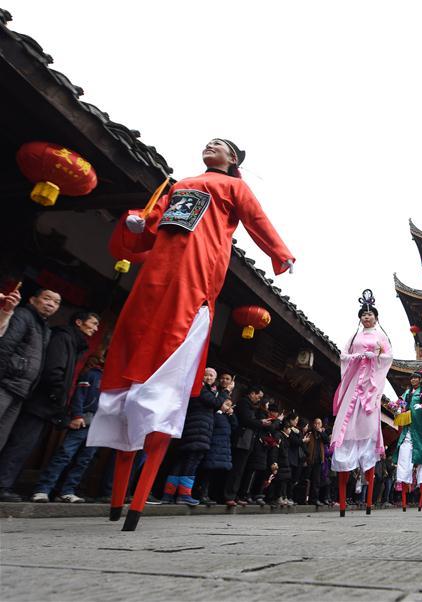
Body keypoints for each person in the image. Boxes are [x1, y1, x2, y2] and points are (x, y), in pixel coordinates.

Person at [88, 139, 294, 531]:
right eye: (210, 141)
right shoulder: (179, 184)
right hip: (157, 269)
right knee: (134, 327)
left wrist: (279, 252)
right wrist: (138, 224)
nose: (211, 144)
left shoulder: (234, 187)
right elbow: (155, 222)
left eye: (221, 144)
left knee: (174, 338)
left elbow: (257, 219)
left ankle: (135, 498)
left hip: (196, 270)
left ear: (232, 159)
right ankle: (118, 498)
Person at [0, 307, 95, 502]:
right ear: (79, 322)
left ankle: (7, 484)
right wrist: (58, 398)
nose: (95, 328)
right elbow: (54, 371)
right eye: (93, 323)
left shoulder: (74, 342)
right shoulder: (63, 337)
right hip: (41, 402)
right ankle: (3, 485)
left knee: (26, 446)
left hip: (48, 404)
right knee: (20, 444)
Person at [332, 290, 392, 517]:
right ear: (360, 318)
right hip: (356, 379)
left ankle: (368, 496)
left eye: (370, 315)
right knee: (346, 419)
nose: (367, 317)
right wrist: (357, 357)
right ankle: (343, 495)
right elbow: (343, 355)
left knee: (368, 420)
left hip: (370, 383)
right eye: (364, 315)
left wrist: (375, 357)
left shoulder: (381, 337)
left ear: (376, 318)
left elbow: (388, 357)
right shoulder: (353, 337)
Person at [31, 355, 103, 503]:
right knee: (65, 454)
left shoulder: (117, 382)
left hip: (101, 425)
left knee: (85, 460)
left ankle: (67, 491)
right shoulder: (92, 375)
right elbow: (79, 395)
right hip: (84, 420)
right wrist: (77, 415)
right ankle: (43, 489)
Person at [0, 289, 59, 456]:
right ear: (33, 300)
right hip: (5, 384)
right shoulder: (23, 315)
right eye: (47, 299)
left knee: (2, 437)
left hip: (21, 390)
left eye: (56, 302)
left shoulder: (45, 328)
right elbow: (6, 346)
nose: (51, 304)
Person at [160, 367, 230, 506]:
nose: (208, 378)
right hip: (197, 430)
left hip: (194, 430)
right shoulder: (201, 388)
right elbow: (216, 403)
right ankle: (184, 495)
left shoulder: (205, 389)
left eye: (211, 376)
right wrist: (226, 391)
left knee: (181, 462)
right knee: (191, 462)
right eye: (206, 375)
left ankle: (168, 494)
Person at [223, 385, 276, 506]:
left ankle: (236, 495)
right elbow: (246, 420)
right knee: (236, 469)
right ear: (252, 393)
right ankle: (229, 495)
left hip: (248, 441)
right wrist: (261, 422)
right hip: (241, 440)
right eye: (258, 396)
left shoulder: (253, 406)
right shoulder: (244, 403)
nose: (259, 399)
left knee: (241, 470)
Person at [391, 371, 422, 511]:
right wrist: (394, 406)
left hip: (421, 432)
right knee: (404, 461)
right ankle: (404, 500)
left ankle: (421, 501)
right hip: (408, 431)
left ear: (420, 380)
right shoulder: (407, 392)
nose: (413, 380)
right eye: (412, 378)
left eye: (416, 378)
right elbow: (400, 404)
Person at [301, 417, 329, 506]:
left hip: (318, 461)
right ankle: (302, 498)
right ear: (313, 424)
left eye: (319, 423)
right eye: (316, 423)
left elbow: (327, 441)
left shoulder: (322, 434)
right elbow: (304, 445)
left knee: (316, 481)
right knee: (305, 480)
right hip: (309, 460)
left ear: (321, 425)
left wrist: (321, 432)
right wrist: (306, 456)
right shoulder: (310, 432)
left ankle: (314, 499)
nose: (317, 425)